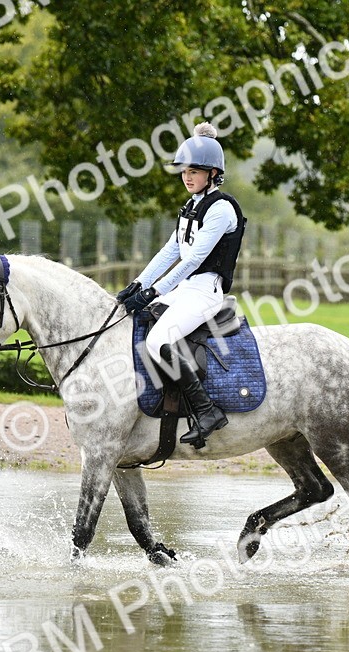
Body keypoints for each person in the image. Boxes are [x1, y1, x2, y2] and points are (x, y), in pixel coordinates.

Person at [116, 122, 245, 448]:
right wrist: (138, 284)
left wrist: (154, 292)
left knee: (160, 340)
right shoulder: (191, 206)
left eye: (195, 171)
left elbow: (192, 260)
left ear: (214, 173)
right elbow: (171, 251)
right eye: (185, 170)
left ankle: (207, 411)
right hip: (185, 289)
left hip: (205, 291)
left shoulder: (221, 208)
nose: (187, 176)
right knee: (137, 323)